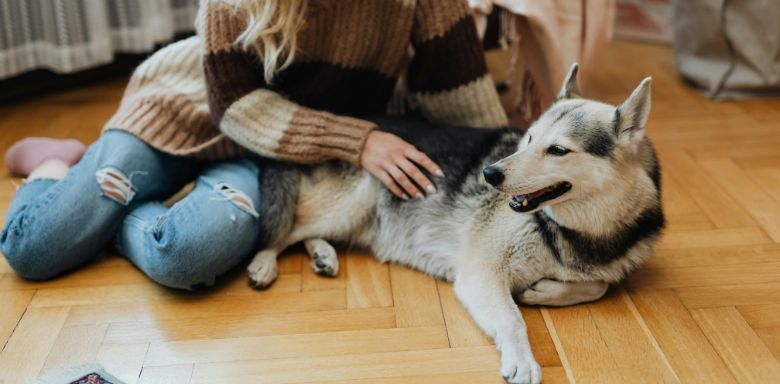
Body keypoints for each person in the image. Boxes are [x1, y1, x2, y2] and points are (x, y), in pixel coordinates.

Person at [1, 0, 508, 290]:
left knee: (183, 257)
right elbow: (236, 108)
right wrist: (360, 140)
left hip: (274, 154)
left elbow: (458, 94)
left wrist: (510, 171)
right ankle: (53, 162)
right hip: (181, 111)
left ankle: (109, 214)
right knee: (34, 249)